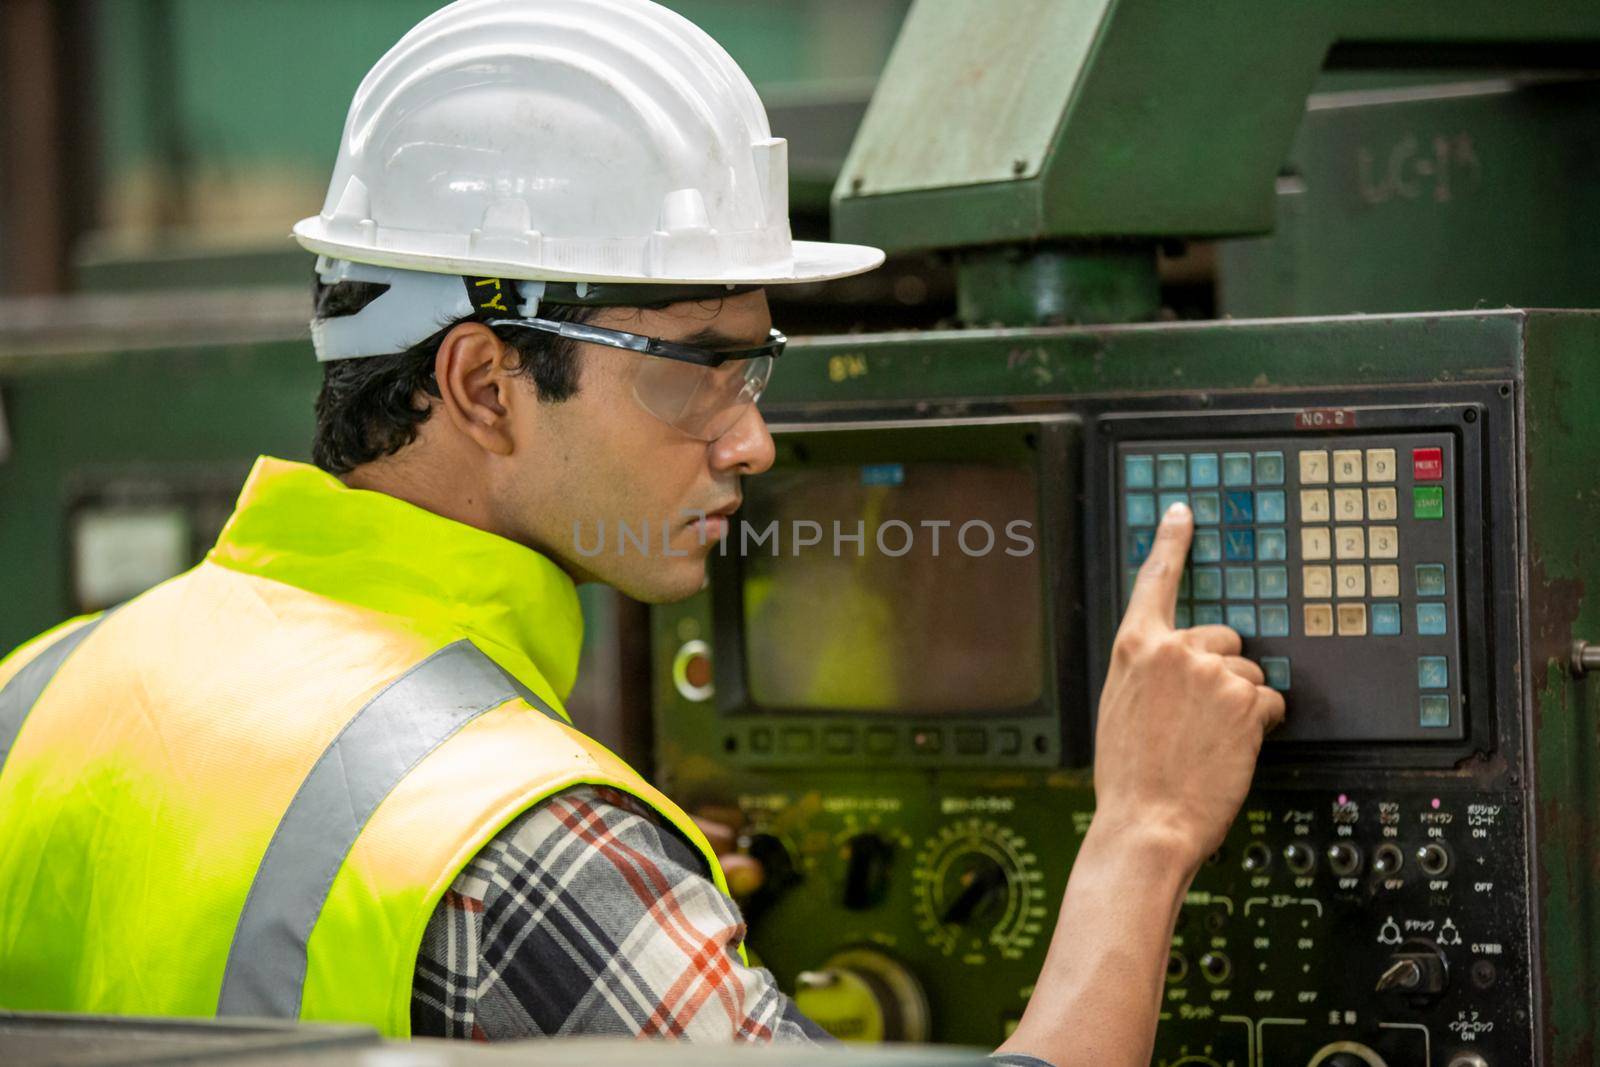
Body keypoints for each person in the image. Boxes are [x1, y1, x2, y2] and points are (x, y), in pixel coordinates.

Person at [0, 2, 1283, 1064]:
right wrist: (1144, 830)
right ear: (483, 384)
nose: (750, 441)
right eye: (692, 369)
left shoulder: (36, 693)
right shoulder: (523, 846)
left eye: (752, 369)